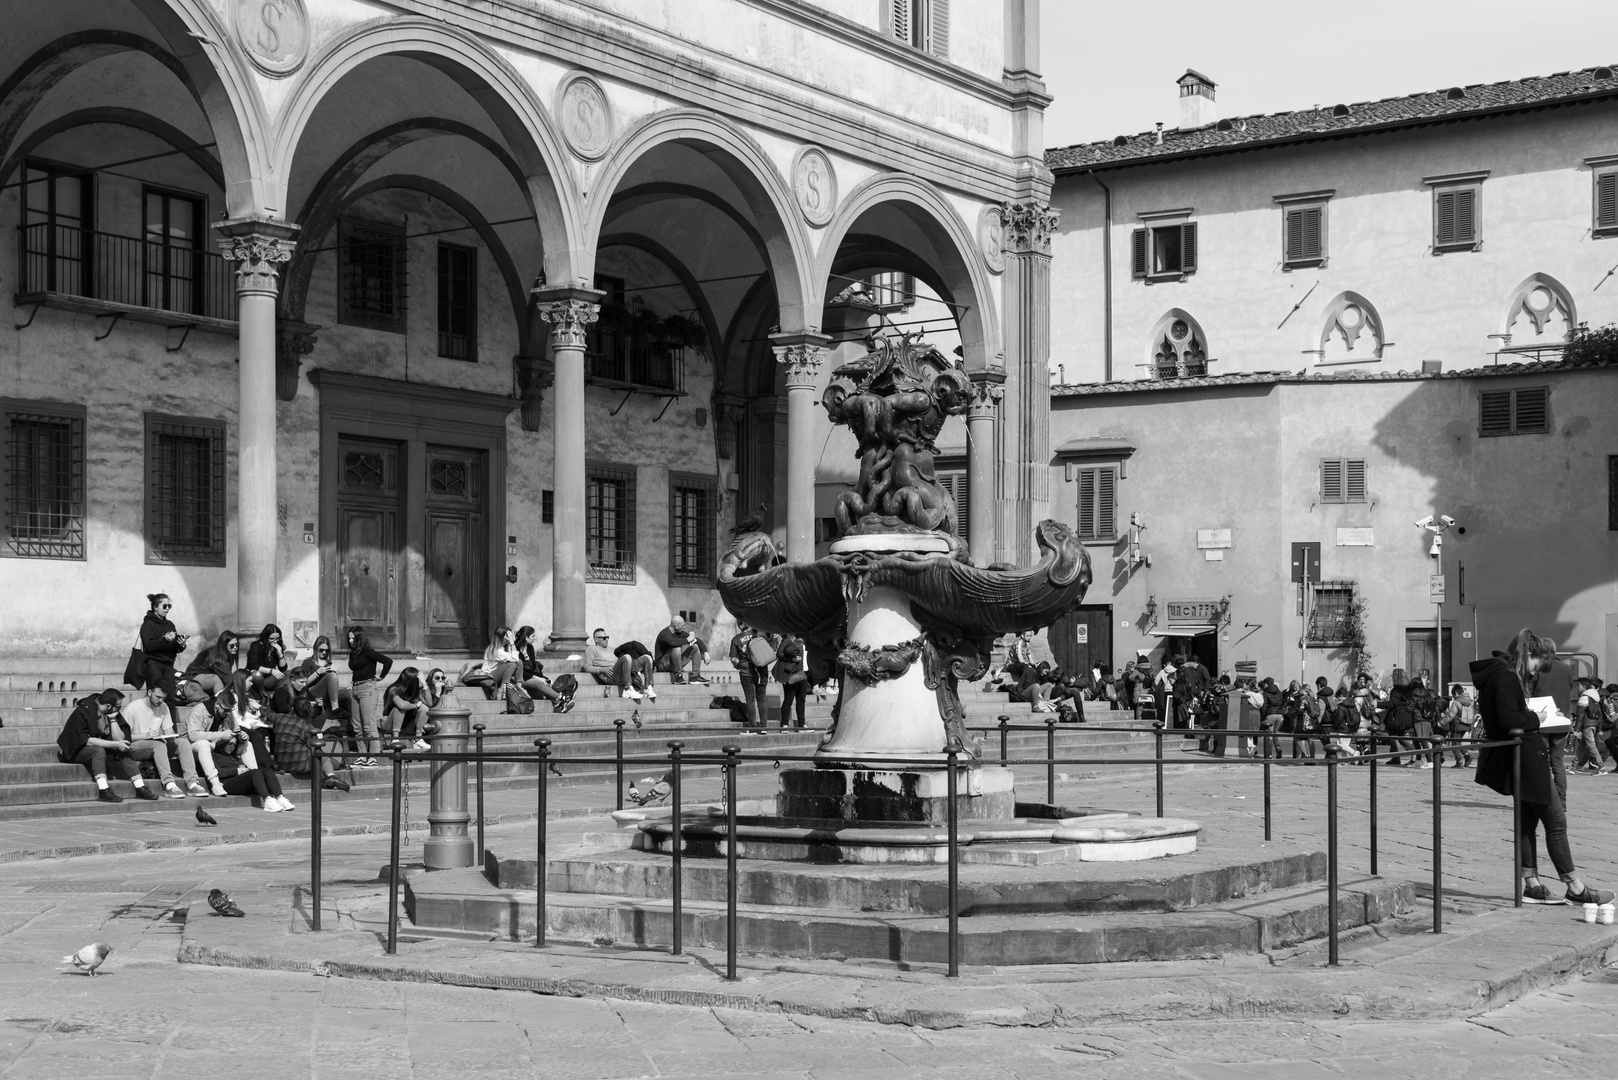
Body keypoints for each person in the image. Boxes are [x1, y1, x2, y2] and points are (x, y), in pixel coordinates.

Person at [1473, 629, 1612, 906]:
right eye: (1537, 663)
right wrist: (1538, 717)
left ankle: (1532, 885)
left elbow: (1506, 714)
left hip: (1519, 755)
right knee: (1556, 821)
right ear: (1528, 655)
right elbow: (1508, 718)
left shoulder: (1498, 674)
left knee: (1527, 821)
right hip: (1526, 756)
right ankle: (1574, 886)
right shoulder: (1506, 676)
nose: (1536, 671)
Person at [57, 689, 151, 803]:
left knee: (123, 748)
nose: (119, 709)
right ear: (108, 705)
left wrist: (113, 720)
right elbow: (87, 741)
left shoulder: (112, 711)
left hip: (100, 748)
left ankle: (140, 787)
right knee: (98, 750)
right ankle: (103, 789)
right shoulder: (83, 711)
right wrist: (115, 744)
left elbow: (120, 739)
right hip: (75, 750)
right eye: (118, 706)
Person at [121, 683, 204, 798]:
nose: (160, 701)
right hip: (135, 747)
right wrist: (145, 735)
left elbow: (168, 730)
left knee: (183, 743)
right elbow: (124, 738)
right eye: (158, 697)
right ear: (149, 693)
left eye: (163, 698)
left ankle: (192, 783)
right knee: (158, 744)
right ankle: (169, 784)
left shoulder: (163, 706)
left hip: (156, 744)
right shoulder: (132, 708)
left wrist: (170, 736)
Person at [347, 626, 392, 768]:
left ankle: (373, 757)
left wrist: (381, 676)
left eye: (353, 638)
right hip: (355, 689)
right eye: (349, 638)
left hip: (368, 688)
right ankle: (362, 755)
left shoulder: (368, 651)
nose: (350, 640)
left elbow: (387, 661)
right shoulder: (353, 653)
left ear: (360, 638)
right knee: (357, 726)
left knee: (369, 725)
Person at [137, 593, 188, 717]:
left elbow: (173, 648)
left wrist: (181, 645)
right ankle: (151, 728)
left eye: (169, 606)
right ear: (155, 607)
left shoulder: (170, 624)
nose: (167, 609)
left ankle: (171, 731)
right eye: (164, 606)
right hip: (153, 664)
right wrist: (164, 640)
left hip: (168, 665)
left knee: (170, 698)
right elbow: (149, 646)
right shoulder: (147, 625)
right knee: (155, 697)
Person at [181, 631, 246, 715]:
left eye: (237, 645)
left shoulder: (226, 654)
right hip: (192, 678)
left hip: (203, 676)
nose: (235, 648)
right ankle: (223, 706)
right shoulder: (220, 658)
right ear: (224, 645)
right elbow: (230, 680)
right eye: (231, 646)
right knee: (216, 679)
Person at [583, 628, 656, 701]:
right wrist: (602, 669)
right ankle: (627, 689)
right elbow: (587, 667)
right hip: (610, 676)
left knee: (647, 658)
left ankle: (648, 688)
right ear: (596, 640)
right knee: (626, 657)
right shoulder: (591, 649)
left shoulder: (611, 649)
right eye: (604, 638)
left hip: (621, 673)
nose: (607, 639)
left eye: (607, 637)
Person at [515, 626, 573, 712]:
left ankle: (558, 704)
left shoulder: (529, 648)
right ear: (526, 637)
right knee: (539, 683)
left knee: (548, 682)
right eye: (533, 636)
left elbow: (533, 666)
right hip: (519, 677)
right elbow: (519, 670)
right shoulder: (515, 648)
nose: (535, 638)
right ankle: (562, 698)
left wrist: (541, 677)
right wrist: (536, 678)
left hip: (530, 676)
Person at [245, 624, 292, 712]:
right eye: (272, 638)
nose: (275, 641)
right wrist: (271, 671)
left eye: (277, 638)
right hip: (257, 680)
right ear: (266, 637)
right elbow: (253, 665)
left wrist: (280, 654)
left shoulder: (277, 647)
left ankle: (278, 693)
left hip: (269, 681)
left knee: (290, 673)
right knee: (256, 674)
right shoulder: (256, 646)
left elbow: (283, 668)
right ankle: (263, 698)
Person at [291, 635, 341, 718]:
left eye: (326, 650)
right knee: (332, 676)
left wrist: (335, 672)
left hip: (328, 694)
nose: (324, 653)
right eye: (321, 650)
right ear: (316, 648)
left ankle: (357, 727)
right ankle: (335, 709)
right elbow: (303, 683)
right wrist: (318, 673)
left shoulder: (328, 663)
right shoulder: (308, 662)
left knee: (350, 693)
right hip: (313, 693)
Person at [383, 668, 432, 750]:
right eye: (418, 681)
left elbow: (429, 704)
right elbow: (401, 705)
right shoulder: (393, 689)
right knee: (399, 709)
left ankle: (418, 740)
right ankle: (395, 739)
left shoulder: (415, 691)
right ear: (412, 681)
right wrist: (415, 706)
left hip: (407, 724)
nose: (419, 682)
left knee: (424, 708)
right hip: (390, 725)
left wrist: (424, 684)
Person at [654, 615, 709, 685]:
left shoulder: (680, 632)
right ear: (676, 626)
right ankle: (678, 676)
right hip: (662, 665)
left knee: (694, 647)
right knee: (676, 647)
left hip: (674, 663)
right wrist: (688, 639)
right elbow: (672, 642)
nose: (684, 627)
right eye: (682, 626)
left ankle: (695, 676)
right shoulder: (664, 634)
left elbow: (697, 640)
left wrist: (705, 652)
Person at [1383, 668, 1421, 767]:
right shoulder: (1409, 688)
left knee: (1394, 737)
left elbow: (1392, 703)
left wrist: (1377, 704)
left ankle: (1398, 757)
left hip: (1396, 716)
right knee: (1401, 737)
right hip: (1406, 715)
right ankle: (1413, 755)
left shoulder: (1396, 690)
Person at [774, 634, 808, 729]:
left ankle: (802, 724)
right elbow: (779, 654)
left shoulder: (804, 641)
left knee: (801, 700)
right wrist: (791, 659)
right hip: (791, 674)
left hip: (803, 674)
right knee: (788, 700)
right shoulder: (787, 640)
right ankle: (785, 724)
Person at [1574, 678, 1605, 773]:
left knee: (1591, 746)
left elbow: (1580, 715)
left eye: (1578, 686)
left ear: (1584, 687)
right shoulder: (1595, 697)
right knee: (1582, 747)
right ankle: (1575, 766)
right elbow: (1599, 715)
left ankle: (1601, 767)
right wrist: (1599, 728)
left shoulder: (1584, 698)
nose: (1577, 688)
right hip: (1593, 725)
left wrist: (1577, 729)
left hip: (1587, 725)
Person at [1444, 683, 1477, 768]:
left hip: (1457, 725)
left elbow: (1451, 715)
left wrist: (1442, 722)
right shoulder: (1469, 701)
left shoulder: (1456, 702)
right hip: (1466, 725)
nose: (1453, 697)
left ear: (1456, 693)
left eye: (1453, 695)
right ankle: (1467, 756)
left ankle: (1459, 762)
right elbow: (1473, 714)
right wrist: (1471, 726)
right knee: (1458, 743)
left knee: (1454, 746)